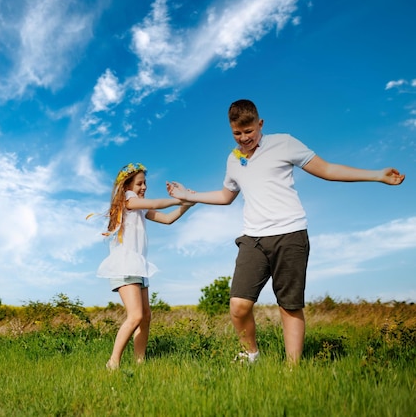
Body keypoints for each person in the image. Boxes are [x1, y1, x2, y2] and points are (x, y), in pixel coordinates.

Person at [167, 99, 405, 364]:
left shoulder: (284, 143)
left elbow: (326, 169)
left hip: (290, 234)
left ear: (260, 124)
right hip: (253, 238)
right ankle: (250, 355)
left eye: (249, 132)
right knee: (238, 305)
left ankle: (293, 371)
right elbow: (226, 196)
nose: (244, 138)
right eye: (237, 133)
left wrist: (376, 175)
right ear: (231, 130)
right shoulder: (233, 159)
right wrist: (190, 195)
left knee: (289, 306)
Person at [95, 162, 194, 370]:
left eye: (145, 183)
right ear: (128, 186)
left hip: (138, 265)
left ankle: (140, 361)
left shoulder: (139, 208)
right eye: (140, 183)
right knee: (136, 315)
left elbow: (167, 219)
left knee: (146, 316)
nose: (144, 187)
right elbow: (157, 204)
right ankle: (113, 362)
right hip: (125, 265)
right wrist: (180, 198)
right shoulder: (128, 200)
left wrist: (186, 205)